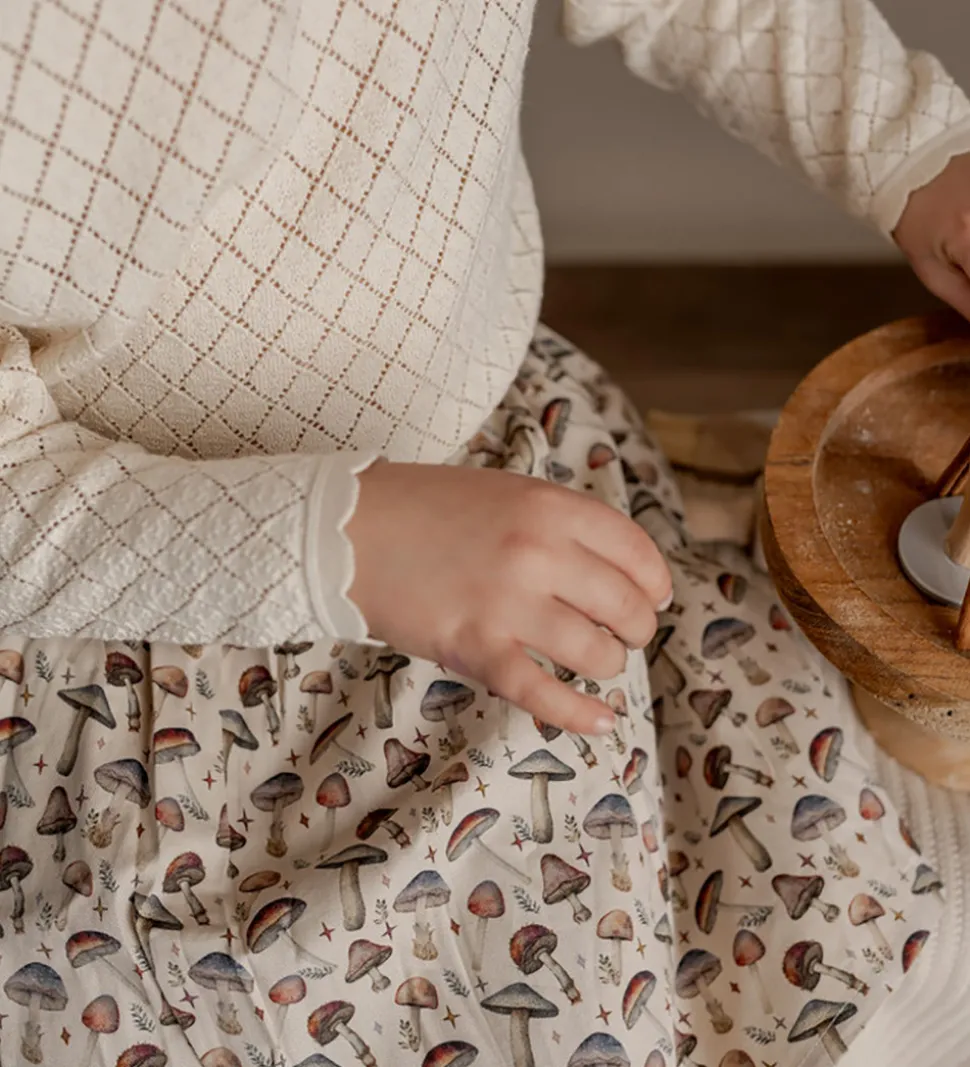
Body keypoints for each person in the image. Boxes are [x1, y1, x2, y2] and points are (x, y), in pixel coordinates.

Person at [0, 1, 968, 1064]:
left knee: (800, 876)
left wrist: (915, 148)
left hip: (498, 469)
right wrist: (344, 541)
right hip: (121, 616)